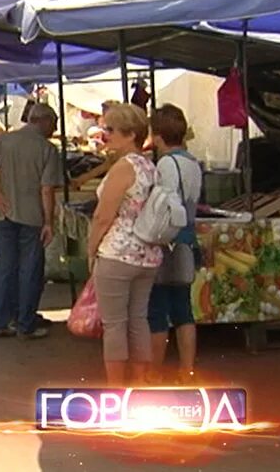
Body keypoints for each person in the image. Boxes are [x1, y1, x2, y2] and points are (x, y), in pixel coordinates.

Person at [86, 103, 163, 386]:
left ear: (130, 134)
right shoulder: (150, 167)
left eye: (110, 130)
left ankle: (116, 386)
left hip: (118, 253)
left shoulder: (123, 167)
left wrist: (91, 250)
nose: (106, 135)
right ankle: (140, 379)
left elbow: (103, 216)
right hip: (148, 254)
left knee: (115, 324)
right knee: (139, 318)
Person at [0, 103, 63, 340]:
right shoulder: (47, 149)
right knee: (30, 270)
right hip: (33, 217)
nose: (55, 128)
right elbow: (47, 190)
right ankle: (25, 323)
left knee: (4, 267)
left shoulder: (6, 140)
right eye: (54, 123)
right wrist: (49, 221)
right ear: (44, 121)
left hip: (4, 215)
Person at [147, 104, 202, 385]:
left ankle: (153, 373)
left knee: (157, 309)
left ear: (157, 135)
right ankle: (187, 370)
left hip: (168, 242)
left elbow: (162, 205)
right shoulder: (193, 162)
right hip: (188, 240)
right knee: (183, 309)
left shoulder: (166, 165)